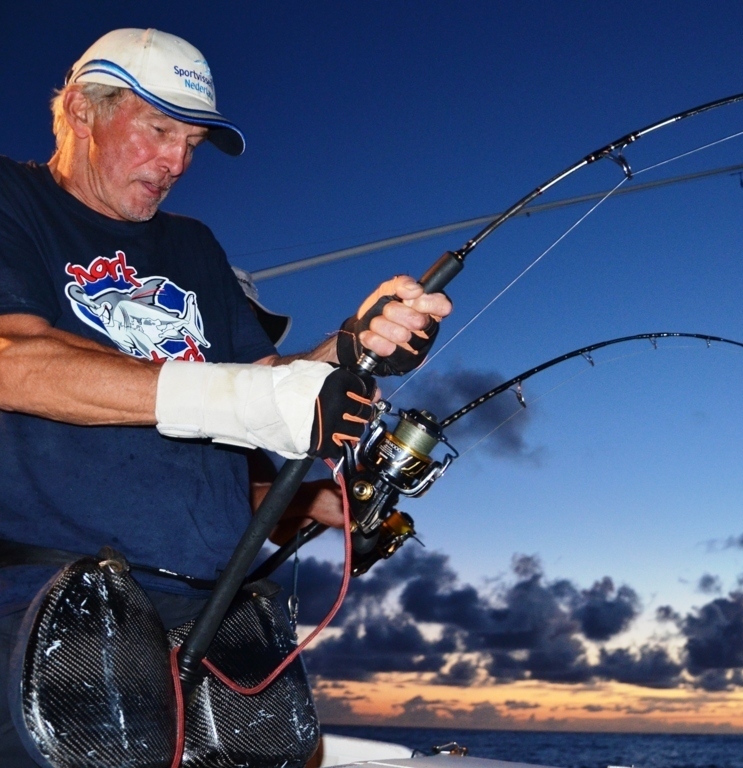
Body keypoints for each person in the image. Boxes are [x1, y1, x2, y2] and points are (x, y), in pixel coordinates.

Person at [0, 28, 451, 764]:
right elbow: (16, 362)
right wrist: (258, 396)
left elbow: (269, 383)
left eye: (192, 143)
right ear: (82, 109)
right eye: (159, 130)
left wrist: (355, 344)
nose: (176, 162)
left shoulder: (195, 245)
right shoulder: (12, 199)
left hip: (219, 608)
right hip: (57, 607)